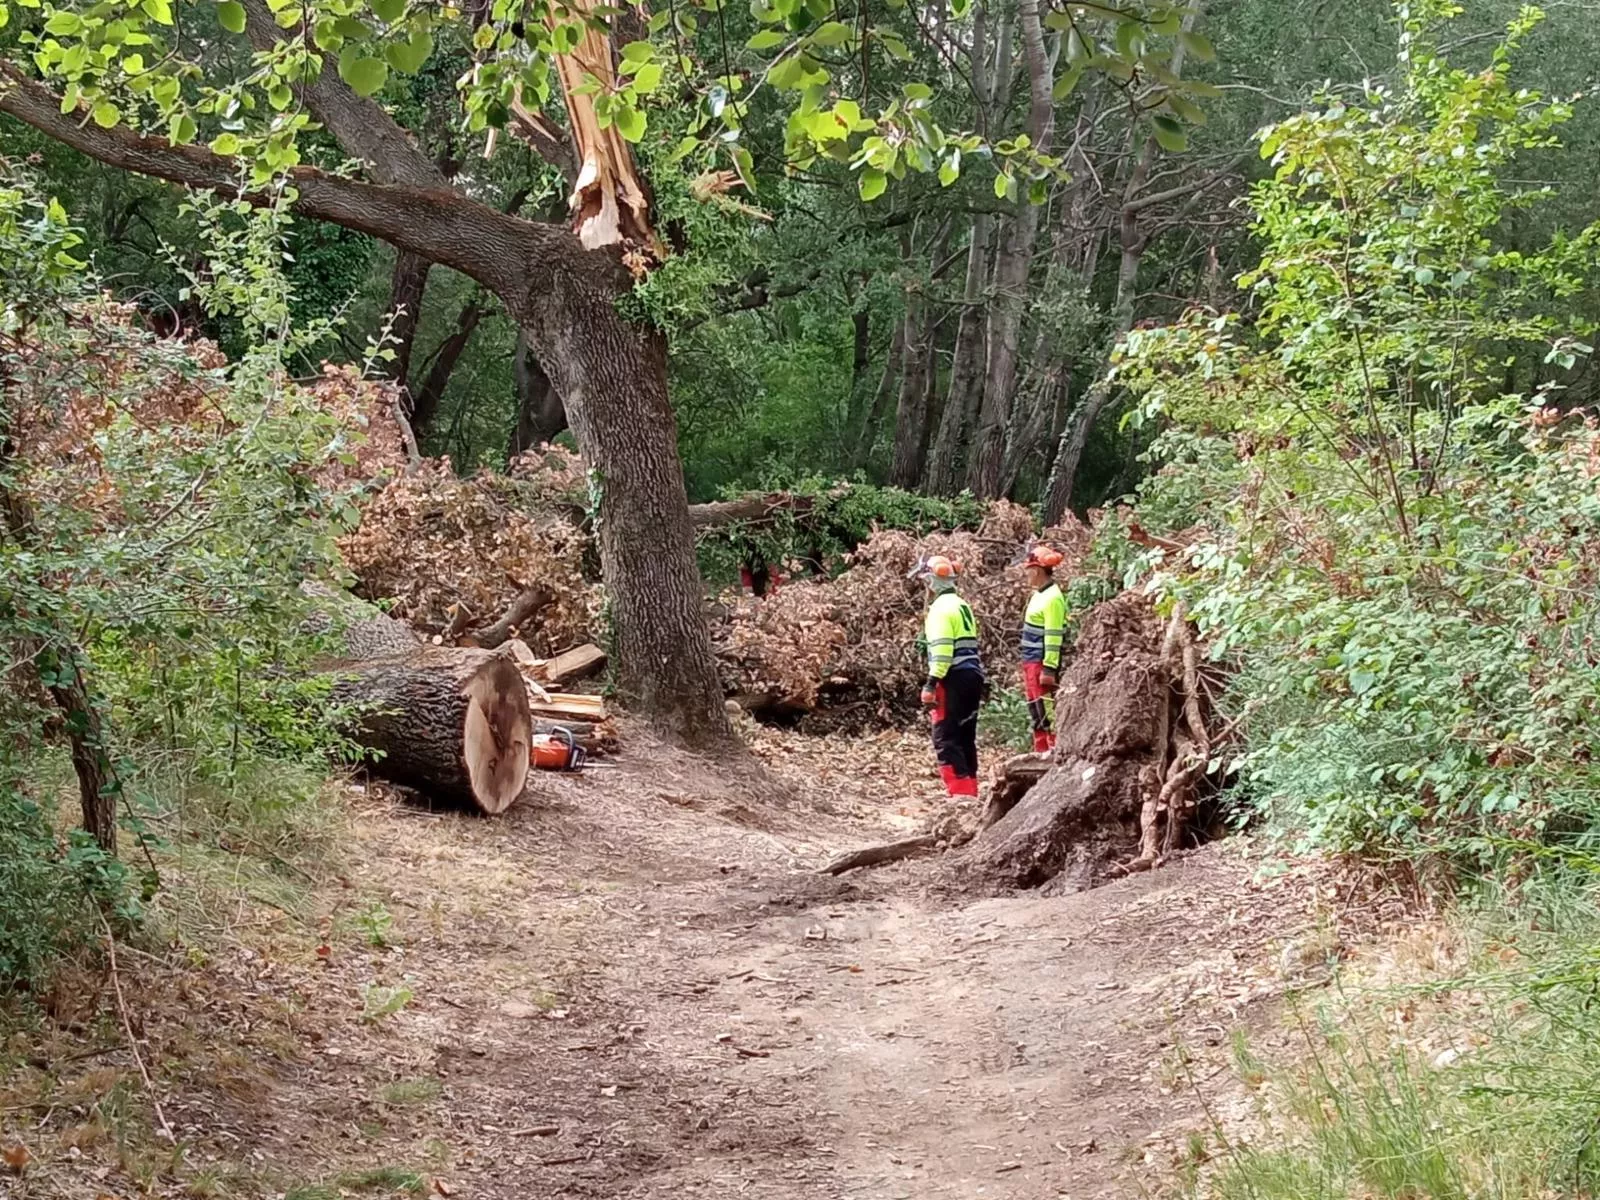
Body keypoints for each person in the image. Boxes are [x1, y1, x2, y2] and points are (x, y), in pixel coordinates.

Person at [910, 555, 984, 799]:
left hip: (951, 679)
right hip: (972, 675)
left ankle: (959, 797)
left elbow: (942, 652)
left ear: (932, 580)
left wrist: (931, 684)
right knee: (965, 737)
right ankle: (971, 793)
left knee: (946, 737)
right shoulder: (962, 605)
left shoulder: (940, 609)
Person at [1018, 544, 1067, 752]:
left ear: (1036, 570)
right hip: (1030, 660)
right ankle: (1039, 749)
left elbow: (1053, 634)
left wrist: (1049, 667)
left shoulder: (1053, 598)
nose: (1026, 575)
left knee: (1045, 707)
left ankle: (1052, 748)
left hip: (1040, 661)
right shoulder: (1039, 594)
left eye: (1028, 570)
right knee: (1035, 707)